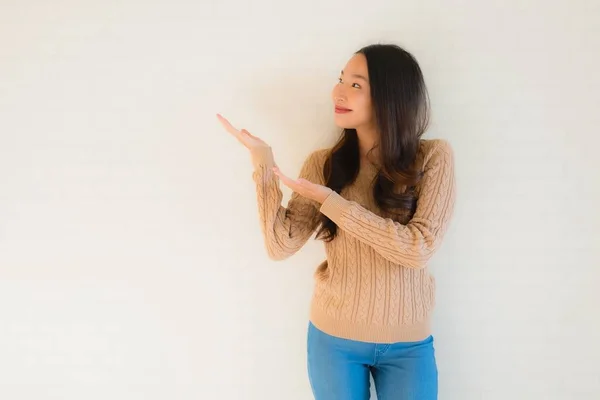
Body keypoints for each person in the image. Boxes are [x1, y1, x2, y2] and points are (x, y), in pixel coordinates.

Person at [217, 43, 456, 400]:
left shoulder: (433, 157)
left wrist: (333, 203)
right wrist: (263, 165)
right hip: (334, 339)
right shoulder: (324, 164)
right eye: (341, 79)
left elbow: (418, 248)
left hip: (408, 344)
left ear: (391, 96)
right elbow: (281, 244)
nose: (338, 92)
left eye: (356, 85)